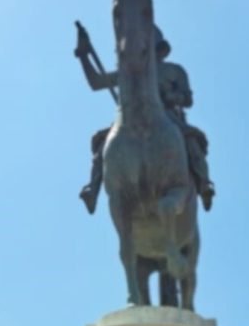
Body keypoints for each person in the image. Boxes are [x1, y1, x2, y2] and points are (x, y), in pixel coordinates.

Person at [75, 23, 216, 214]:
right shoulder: (130, 72)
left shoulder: (174, 70)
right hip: (132, 115)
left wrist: (172, 97)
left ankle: (203, 183)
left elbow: (188, 99)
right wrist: (83, 55)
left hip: (167, 114)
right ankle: (93, 188)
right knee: (104, 142)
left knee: (190, 140)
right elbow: (96, 82)